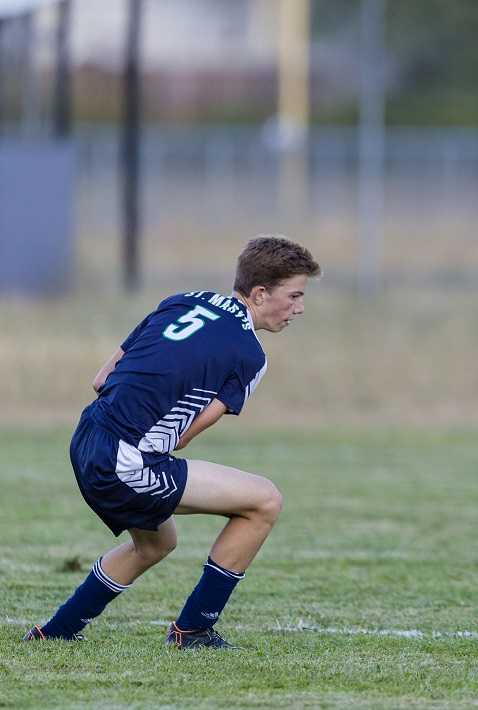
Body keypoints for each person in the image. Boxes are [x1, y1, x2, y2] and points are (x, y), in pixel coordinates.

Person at [23, 235, 320, 649]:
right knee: (264, 501)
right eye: (295, 296)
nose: (300, 308)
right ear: (259, 293)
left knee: (157, 542)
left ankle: (54, 633)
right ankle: (193, 630)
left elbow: (101, 379)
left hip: (86, 436)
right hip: (126, 460)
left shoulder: (182, 301)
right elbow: (181, 438)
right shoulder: (250, 355)